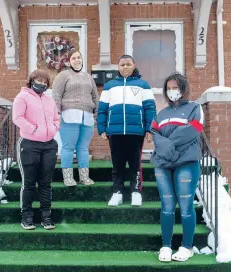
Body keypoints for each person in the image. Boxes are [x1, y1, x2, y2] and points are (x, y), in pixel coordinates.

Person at [150, 73, 204, 262]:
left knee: (186, 205)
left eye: (175, 87)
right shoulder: (162, 113)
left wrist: (167, 145)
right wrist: (164, 146)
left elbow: (192, 129)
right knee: (167, 205)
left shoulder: (194, 108)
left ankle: (187, 246)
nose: (172, 91)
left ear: (183, 88)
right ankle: (166, 245)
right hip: (163, 164)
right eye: (169, 88)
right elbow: (154, 131)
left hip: (186, 163)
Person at [97, 55, 156, 207]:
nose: (125, 67)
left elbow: (150, 108)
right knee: (117, 164)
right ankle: (117, 192)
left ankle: (136, 191)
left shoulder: (143, 85)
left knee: (135, 164)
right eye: (122, 64)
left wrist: (149, 129)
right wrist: (102, 128)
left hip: (136, 132)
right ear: (118, 67)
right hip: (115, 132)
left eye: (128, 64)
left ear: (134, 65)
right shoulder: (110, 85)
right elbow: (102, 109)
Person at [13, 69, 59, 230]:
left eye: (45, 83)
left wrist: (54, 129)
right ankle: (27, 217)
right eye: (39, 82)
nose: (42, 85)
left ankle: (46, 217)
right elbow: (17, 117)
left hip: (49, 145)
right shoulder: (22, 97)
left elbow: (56, 118)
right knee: (29, 183)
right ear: (31, 81)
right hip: (29, 145)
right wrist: (33, 129)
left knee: (46, 183)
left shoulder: (49, 100)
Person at [52, 50, 99, 187]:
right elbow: (56, 95)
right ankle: (68, 178)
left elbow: (95, 97)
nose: (77, 60)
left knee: (83, 148)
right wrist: (57, 113)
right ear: (69, 61)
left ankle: (84, 177)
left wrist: (97, 114)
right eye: (74, 58)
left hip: (87, 117)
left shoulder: (88, 77)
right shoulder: (63, 75)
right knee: (68, 147)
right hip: (69, 115)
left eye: (79, 57)